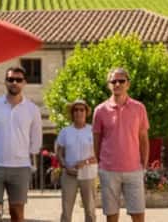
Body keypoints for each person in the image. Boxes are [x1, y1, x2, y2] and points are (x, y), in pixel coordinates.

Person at [0, 67, 43, 222]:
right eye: (11, 79)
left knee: (17, 213)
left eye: (18, 80)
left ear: (24, 83)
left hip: (20, 167)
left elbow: (36, 138)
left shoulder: (32, 109)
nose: (14, 82)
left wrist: (31, 162)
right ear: (5, 82)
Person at [93, 68, 150, 222]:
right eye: (113, 81)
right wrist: (101, 165)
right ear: (108, 85)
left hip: (134, 170)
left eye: (121, 81)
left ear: (128, 84)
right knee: (111, 216)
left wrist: (143, 165)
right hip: (109, 171)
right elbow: (96, 141)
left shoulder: (139, 108)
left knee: (138, 215)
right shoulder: (100, 110)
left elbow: (144, 139)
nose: (117, 84)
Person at [57, 99, 97, 222]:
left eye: (81, 109)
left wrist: (84, 162)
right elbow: (59, 153)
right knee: (66, 210)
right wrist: (65, 166)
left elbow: (100, 154)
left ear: (86, 112)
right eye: (76, 110)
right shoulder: (65, 131)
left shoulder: (93, 131)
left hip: (88, 174)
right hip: (69, 175)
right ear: (72, 113)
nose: (78, 112)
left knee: (90, 210)